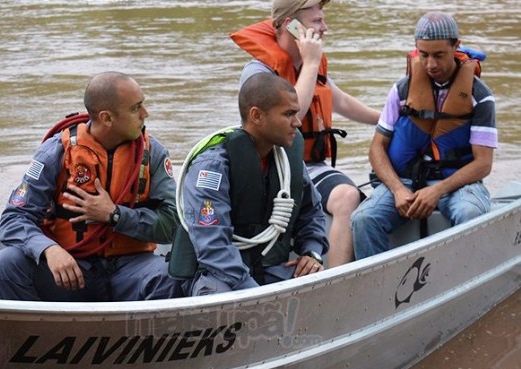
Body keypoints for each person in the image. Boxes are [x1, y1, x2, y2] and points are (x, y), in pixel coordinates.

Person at [0, 72, 182, 301]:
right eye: (135, 108)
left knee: (174, 277)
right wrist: (48, 249)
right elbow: (13, 218)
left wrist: (115, 215)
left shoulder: (154, 154)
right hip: (74, 271)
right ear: (107, 118)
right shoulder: (55, 153)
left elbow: (172, 225)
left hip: (132, 268)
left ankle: (139, 336)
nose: (145, 114)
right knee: (4, 264)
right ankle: (38, 334)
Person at [230, 0, 380, 268]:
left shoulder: (311, 66)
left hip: (310, 167)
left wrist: (388, 120)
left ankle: (334, 280)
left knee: (347, 196)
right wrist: (310, 63)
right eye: (317, 22)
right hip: (270, 169)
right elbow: (293, 117)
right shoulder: (258, 74)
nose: (325, 28)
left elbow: (341, 101)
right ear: (292, 25)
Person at [350, 12, 497, 260]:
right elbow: (377, 148)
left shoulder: (479, 96)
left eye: (439, 55)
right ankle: (376, 288)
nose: (430, 64)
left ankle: (459, 280)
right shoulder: (401, 90)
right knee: (363, 219)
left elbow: (483, 163)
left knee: (471, 214)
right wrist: (397, 189)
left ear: (456, 46)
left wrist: (437, 190)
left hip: (458, 185)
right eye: (424, 54)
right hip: (405, 182)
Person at [169, 73, 328, 296]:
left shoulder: (287, 161)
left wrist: (312, 253)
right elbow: (213, 246)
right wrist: (254, 292)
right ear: (257, 116)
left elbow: (312, 213)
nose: (298, 122)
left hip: (270, 269)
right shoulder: (212, 167)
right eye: (288, 114)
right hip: (221, 276)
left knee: (319, 284)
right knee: (219, 295)